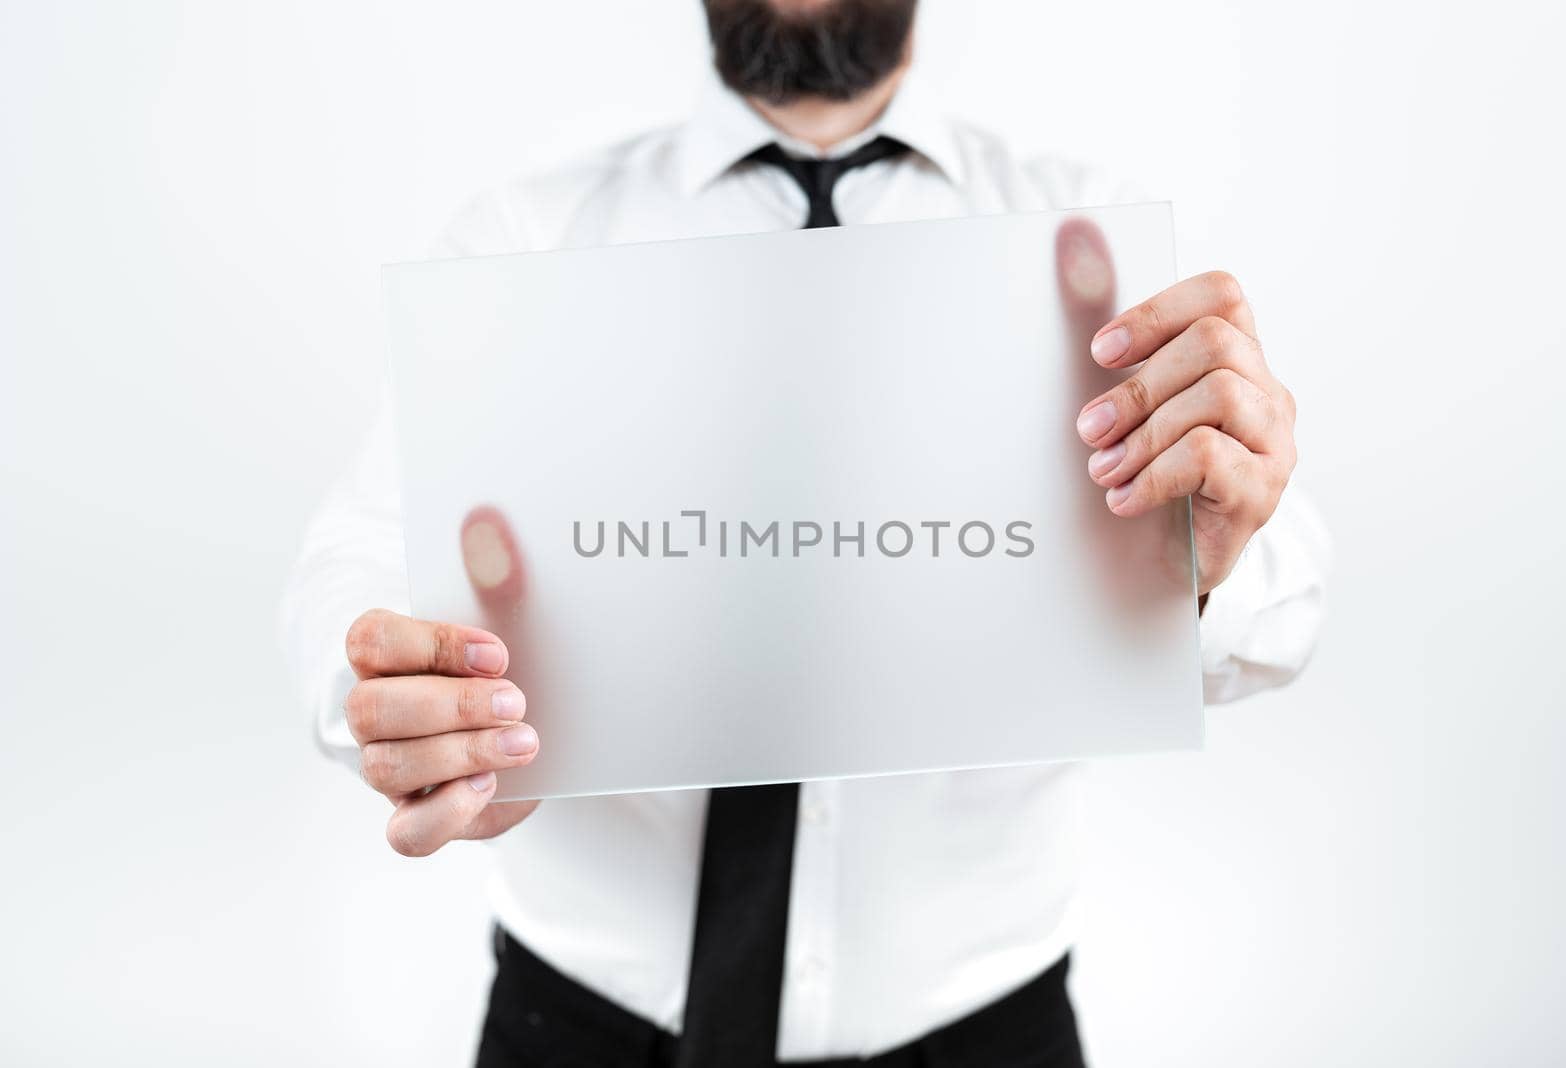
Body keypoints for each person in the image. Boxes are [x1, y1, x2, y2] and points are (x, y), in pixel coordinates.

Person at [281, 1, 1330, 1064]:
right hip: (577, 1028)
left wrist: (1209, 552)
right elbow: (361, 553)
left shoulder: (1090, 239)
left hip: (985, 1030)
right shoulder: (524, 238)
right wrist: (399, 701)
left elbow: (1286, 603)